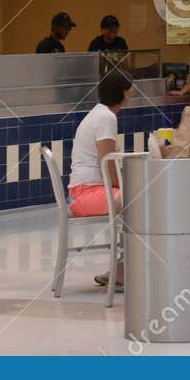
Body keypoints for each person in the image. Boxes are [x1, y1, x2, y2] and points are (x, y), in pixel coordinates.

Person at [71, 69, 130, 290]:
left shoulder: (98, 113)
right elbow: (108, 163)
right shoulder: (106, 117)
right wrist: (126, 186)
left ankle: (123, 269)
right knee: (138, 201)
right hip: (86, 194)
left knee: (136, 199)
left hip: (84, 192)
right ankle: (124, 270)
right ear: (123, 93)